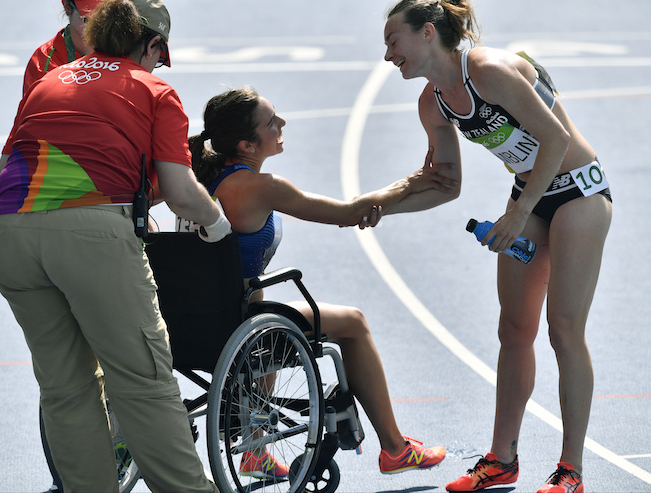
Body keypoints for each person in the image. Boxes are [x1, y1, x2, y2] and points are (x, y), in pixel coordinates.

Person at [0, 0, 229, 491]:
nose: (159, 66)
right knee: (144, 382)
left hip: (9, 232)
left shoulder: (50, 80)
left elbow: (3, 168)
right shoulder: (154, 88)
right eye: (160, 56)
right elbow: (180, 192)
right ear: (153, 44)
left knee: (64, 389)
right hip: (90, 233)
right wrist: (217, 223)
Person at [381, 1, 613, 492]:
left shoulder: (487, 70)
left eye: (392, 41)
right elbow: (445, 183)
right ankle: (501, 459)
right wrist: (381, 206)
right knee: (514, 330)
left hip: (577, 192)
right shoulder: (433, 103)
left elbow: (554, 139)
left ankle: (571, 471)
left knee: (563, 330)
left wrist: (520, 212)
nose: (387, 55)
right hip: (528, 199)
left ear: (427, 34)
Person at [176, 86, 459, 480]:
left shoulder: (193, 181)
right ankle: (395, 448)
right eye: (271, 121)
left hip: (188, 320)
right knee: (353, 322)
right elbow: (349, 213)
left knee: (261, 304)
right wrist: (414, 180)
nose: (282, 123)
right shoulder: (262, 188)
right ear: (245, 144)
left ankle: (255, 448)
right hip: (236, 322)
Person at [19, 2, 104, 491]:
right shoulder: (44, 60)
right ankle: (68, 475)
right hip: (57, 212)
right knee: (63, 366)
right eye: (84, 15)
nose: (93, 24)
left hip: (111, 206)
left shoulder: (126, 43)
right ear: (68, 8)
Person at [23, 0, 103, 95]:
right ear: (67, 6)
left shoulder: (124, 51)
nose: (101, 24)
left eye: (107, 16)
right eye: (89, 18)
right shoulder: (44, 63)